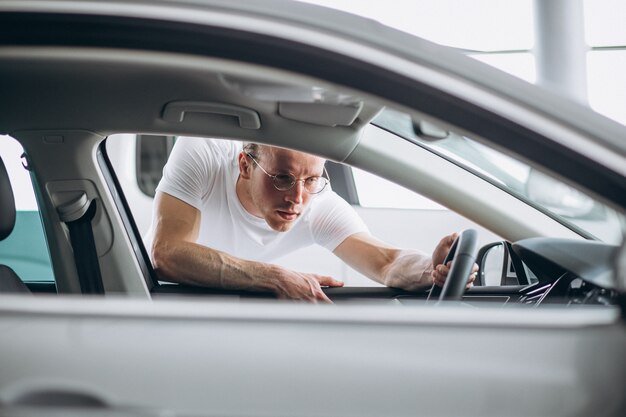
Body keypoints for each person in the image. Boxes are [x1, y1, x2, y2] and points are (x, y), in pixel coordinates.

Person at [146, 137, 476, 303]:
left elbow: (387, 261)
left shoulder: (316, 204)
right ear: (245, 165)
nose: (297, 198)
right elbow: (167, 253)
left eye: (311, 180)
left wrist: (430, 269)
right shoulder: (204, 153)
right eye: (282, 178)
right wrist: (275, 277)